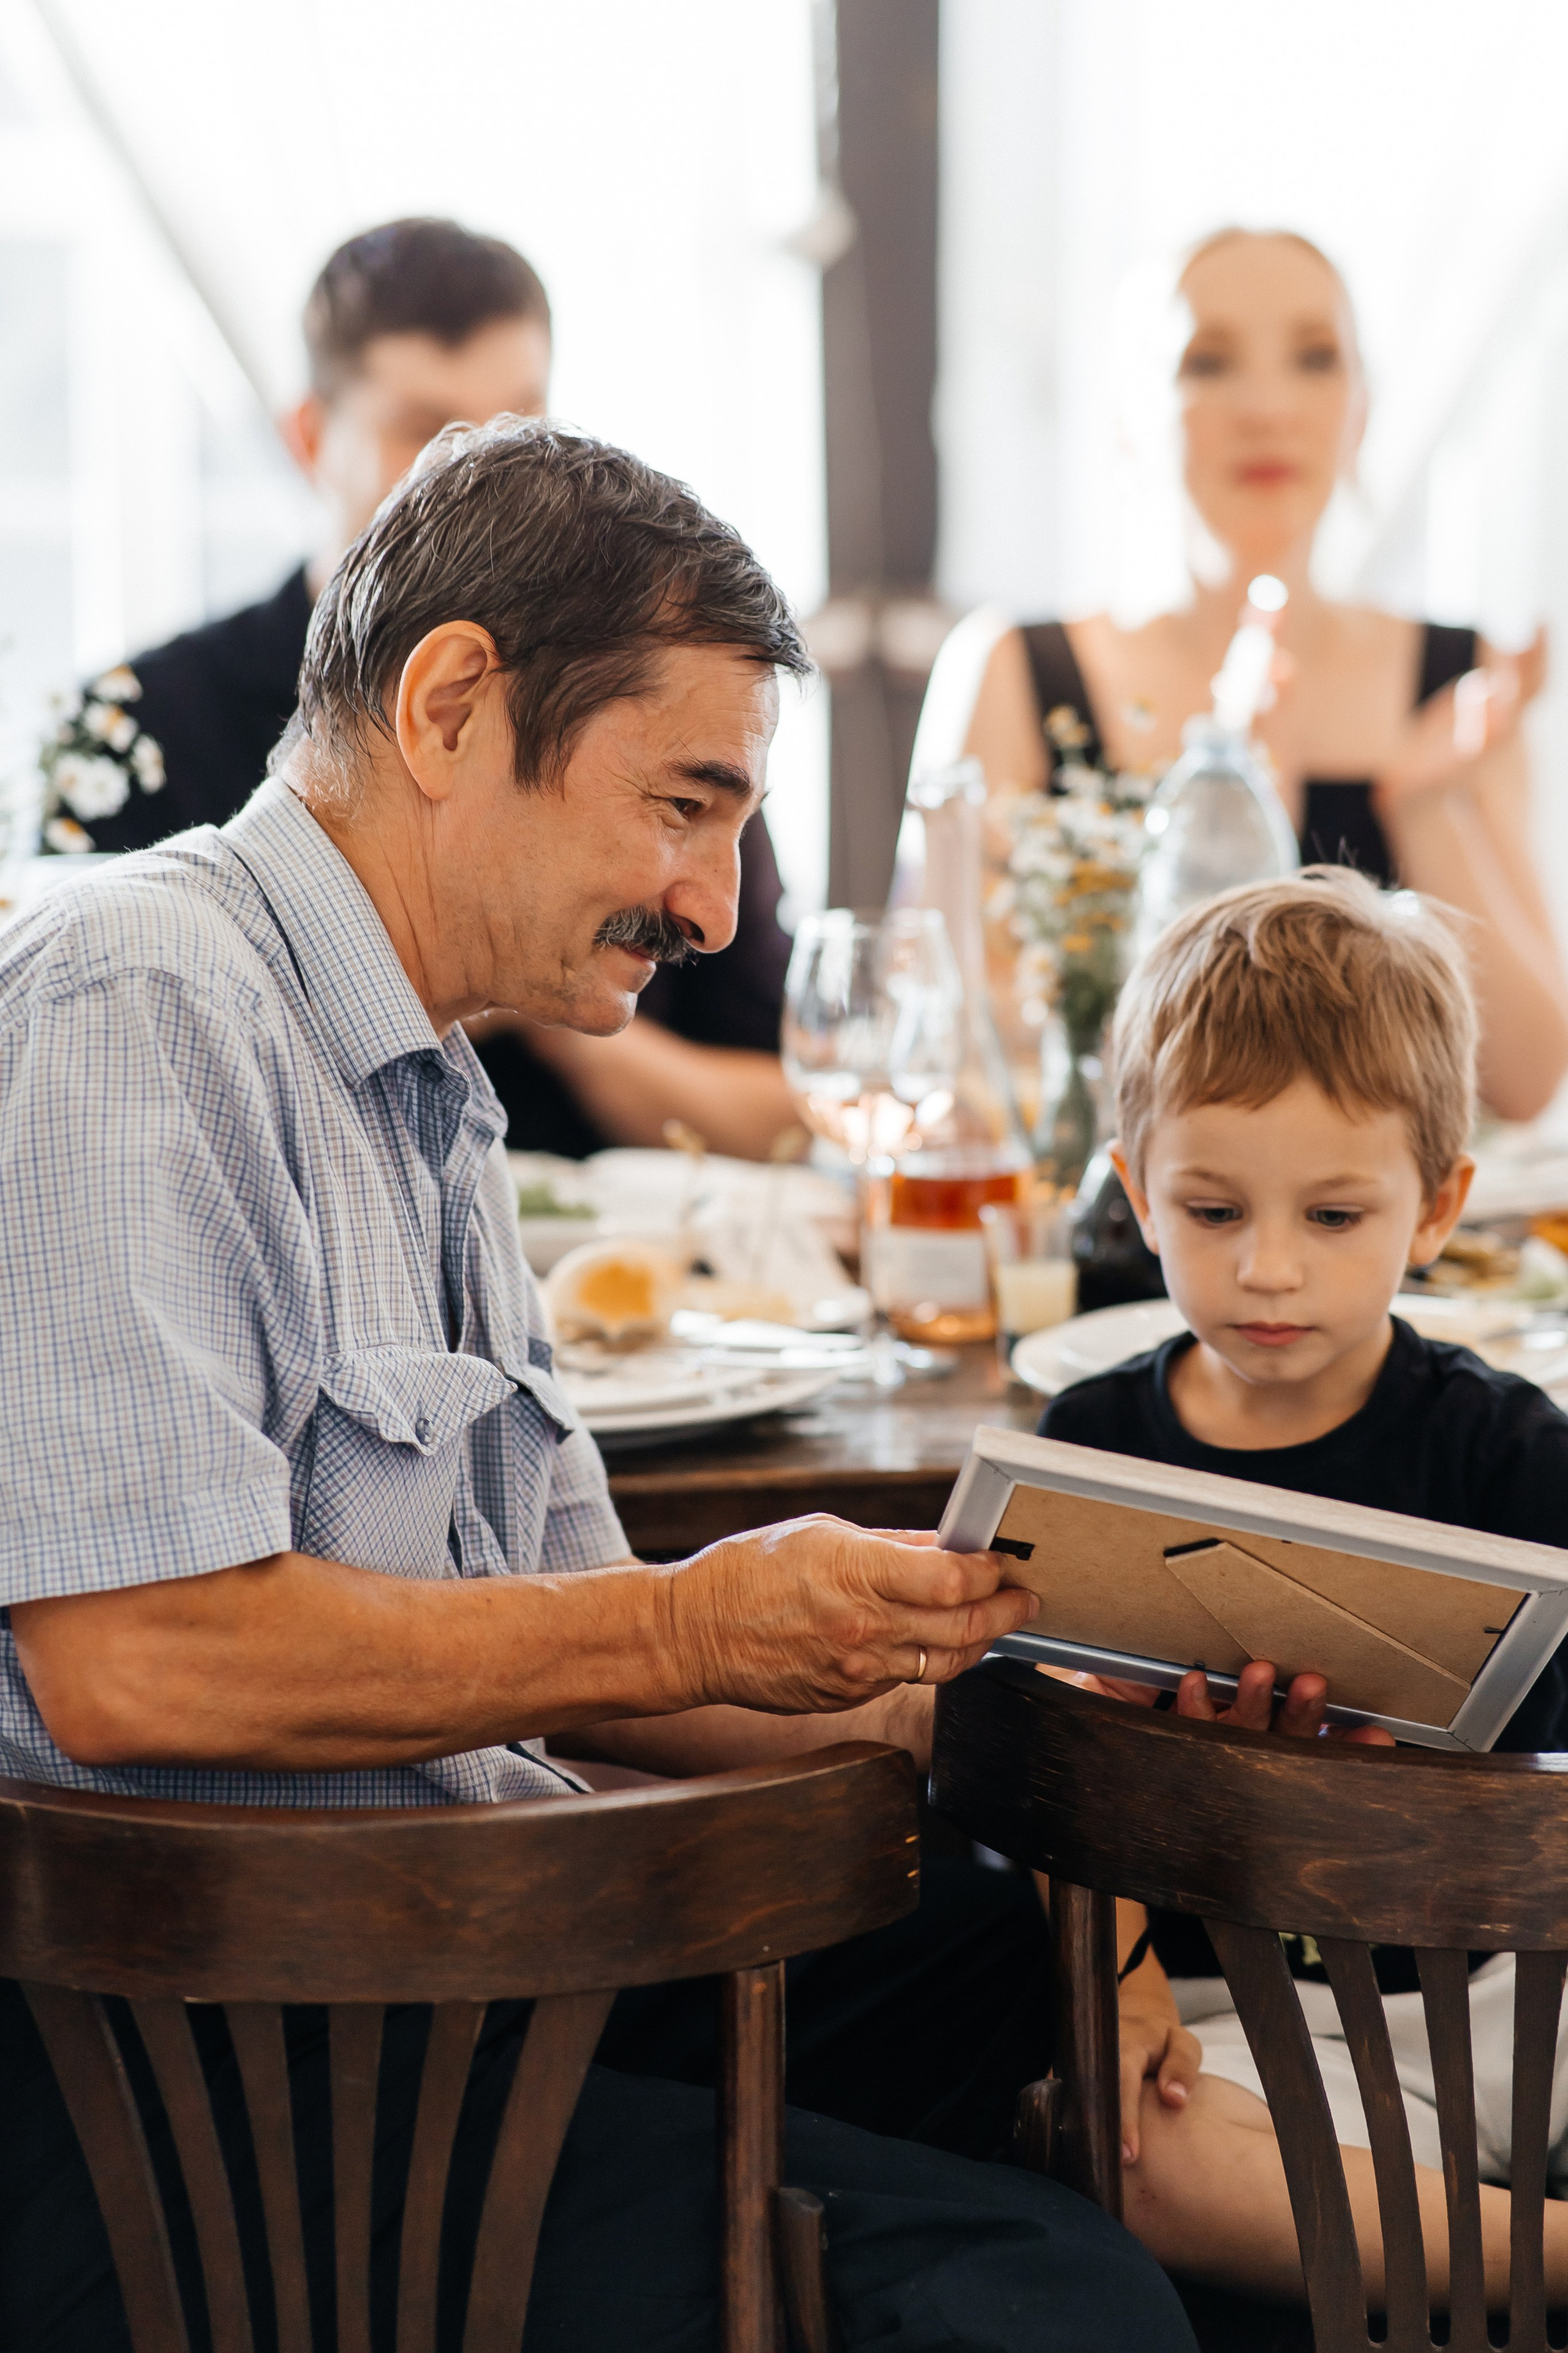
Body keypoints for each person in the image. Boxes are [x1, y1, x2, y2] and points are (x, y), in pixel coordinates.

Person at [0, 418, 1194, 2353]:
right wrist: (694, 1614)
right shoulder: (143, 996)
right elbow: (140, 1658)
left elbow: (591, 1663)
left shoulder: (438, 1088)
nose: (717, 907)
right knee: (1046, 2298)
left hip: (470, 1946)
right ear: (453, 702)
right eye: (686, 805)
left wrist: (964, 1695)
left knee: (1018, 1977)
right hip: (197, 2066)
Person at [1039, 866, 1568, 2311]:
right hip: (1238, 2020)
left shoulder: (1509, 1450)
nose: (1266, 1272)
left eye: (1334, 1217)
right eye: (1209, 1210)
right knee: (1142, 2159)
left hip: (1498, 1994)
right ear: (1139, 1190)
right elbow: (1017, 1772)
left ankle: (1440, 2235)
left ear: (1436, 1205)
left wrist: (1398, 1781)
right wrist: (1125, 1973)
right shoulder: (1082, 1452)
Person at [37, 216, 797, 1160]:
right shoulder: (142, 786)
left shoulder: (645, 702)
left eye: (522, 425)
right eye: (429, 430)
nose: (484, 467)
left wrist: (541, 1000)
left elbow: (790, 1096)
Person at [962, 225, 1568, 1121]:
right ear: (1130, 411)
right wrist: (1229, 835)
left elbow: (1526, 1083)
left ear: (1363, 408)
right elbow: (963, 1048)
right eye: (1208, 363)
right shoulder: (1020, 666)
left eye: (1316, 359)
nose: (1268, 407)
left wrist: (1425, 808)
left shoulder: (1456, 680)